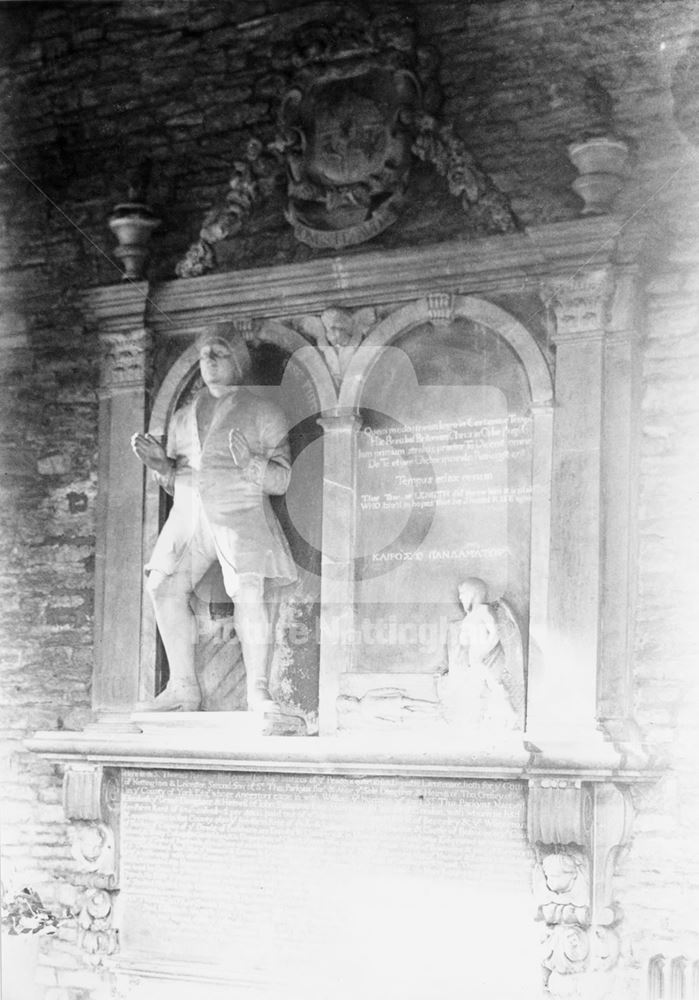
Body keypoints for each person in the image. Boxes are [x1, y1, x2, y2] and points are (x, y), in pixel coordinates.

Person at [131, 333, 297, 711]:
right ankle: (182, 686)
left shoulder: (264, 412)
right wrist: (161, 466)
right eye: (205, 355)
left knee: (249, 593)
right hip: (189, 518)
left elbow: (282, 479)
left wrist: (251, 464)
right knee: (162, 587)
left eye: (219, 354)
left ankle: (257, 690)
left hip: (240, 514)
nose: (210, 361)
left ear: (237, 362)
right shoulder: (182, 418)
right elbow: (180, 480)